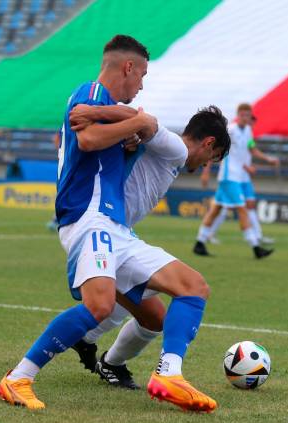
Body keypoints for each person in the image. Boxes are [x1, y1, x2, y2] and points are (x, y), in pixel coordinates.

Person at [0, 35, 219, 413]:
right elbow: (88, 141)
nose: (142, 84)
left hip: (115, 227)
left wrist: (135, 122)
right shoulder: (91, 91)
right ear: (128, 67)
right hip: (89, 217)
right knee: (99, 306)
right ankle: (18, 378)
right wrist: (133, 121)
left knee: (191, 288)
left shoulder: (108, 107)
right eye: (142, 74)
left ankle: (169, 374)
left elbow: (132, 128)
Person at [66, 106, 230, 394]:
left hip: (116, 233)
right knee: (190, 288)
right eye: (212, 158)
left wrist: (133, 137)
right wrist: (99, 112)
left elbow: (144, 131)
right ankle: (30, 370)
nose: (207, 164)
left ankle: (92, 346)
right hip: (105, 233)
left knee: (153, 318)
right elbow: (148, 122)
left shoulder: (168, 151)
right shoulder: (176, 148)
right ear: (208, 143)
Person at [193, 104, 275, 259]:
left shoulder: (249, 131)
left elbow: (250, 149)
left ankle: (199, 243)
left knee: (216, 209)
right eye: (243, 115)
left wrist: (264, 160)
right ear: (238, 115)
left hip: (238, 175)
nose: (246, 118)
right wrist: (205, 171)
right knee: (242, 209)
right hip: (229, 176)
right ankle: (256, 247)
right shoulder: (230, 130)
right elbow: (215, 149)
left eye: (248, 115)